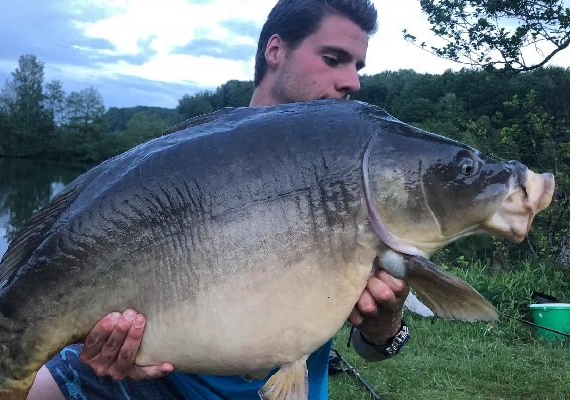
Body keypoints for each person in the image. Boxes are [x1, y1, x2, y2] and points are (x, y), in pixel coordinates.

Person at [27, 1, 409, 399]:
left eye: (357, 67)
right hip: (156, 378)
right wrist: (104, 341)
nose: (352, 82)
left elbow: (374, 347)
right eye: (334, 59)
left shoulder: (353, 176)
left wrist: (386, 327)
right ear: (275, 51)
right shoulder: (194, 160)